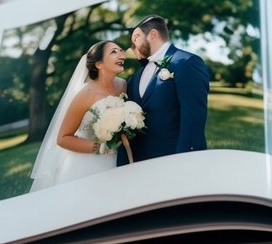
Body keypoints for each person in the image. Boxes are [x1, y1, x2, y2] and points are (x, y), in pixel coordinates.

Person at [29, 41, 127, 191]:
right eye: (114, 52)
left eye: (121, 50)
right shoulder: (85, 95)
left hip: (119, 158)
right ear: (99, 64)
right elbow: (63, 138)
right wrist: (100, 148)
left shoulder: (123, 85)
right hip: (87, 164)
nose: (122, 54)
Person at [118, 15, 210, 163]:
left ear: (153, 34)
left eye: (136, 37)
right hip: (138, 165)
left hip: (172, 161)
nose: (132, 44)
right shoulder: (136, 77)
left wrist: (183, 162)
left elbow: (193, 121)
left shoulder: (187, 63)